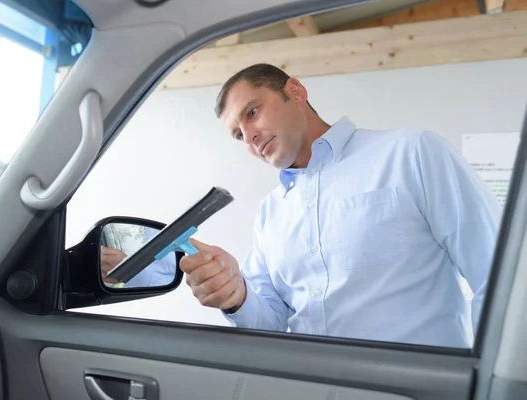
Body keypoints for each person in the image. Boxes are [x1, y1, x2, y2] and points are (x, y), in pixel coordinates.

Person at [179, 63, 501, 348]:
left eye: (252, 113)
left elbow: (498, 275)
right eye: (238, 135)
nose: (249, 137)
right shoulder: (270, 214)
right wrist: (236, 297)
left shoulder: (412, 154)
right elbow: (272, 323)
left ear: (296, 92)